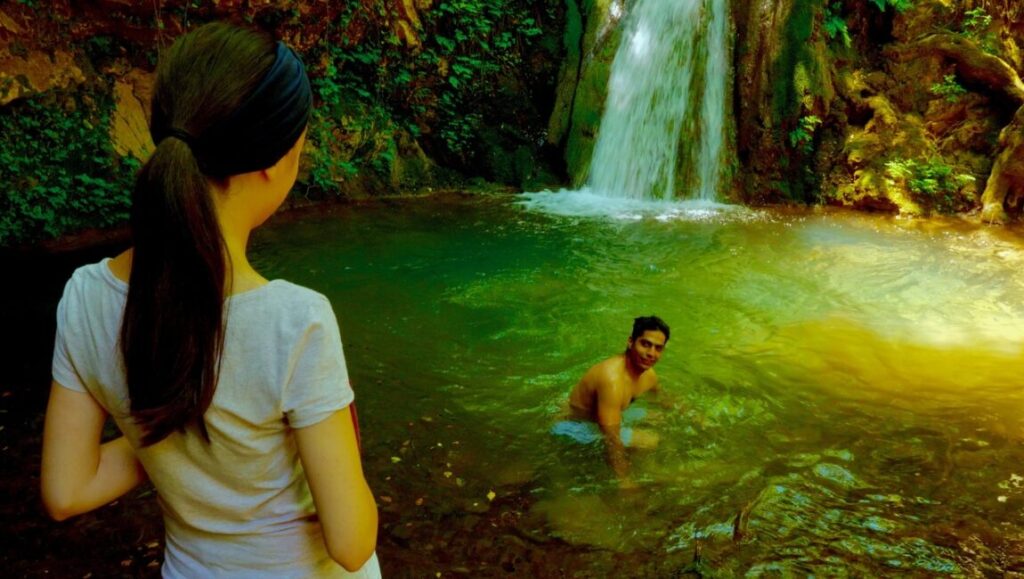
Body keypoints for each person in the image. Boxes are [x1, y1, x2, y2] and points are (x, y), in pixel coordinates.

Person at [40, 23, 380, 578]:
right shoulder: (296, 321)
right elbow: (351, 541)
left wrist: (161, 437)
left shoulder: (84, 297)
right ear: (274, 161)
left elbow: (67, 490)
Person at [559, 315, 671, 485]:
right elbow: (611, 438)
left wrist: (694, 415)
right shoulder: (612, 380)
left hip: (602, 416)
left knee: (660, 417)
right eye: (645, 344)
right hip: (572, 425)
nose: (651, 353)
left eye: (658, 348)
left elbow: (665, 399)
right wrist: (625, 480)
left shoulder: (649, 375)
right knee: (651, 441)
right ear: (630, 342)